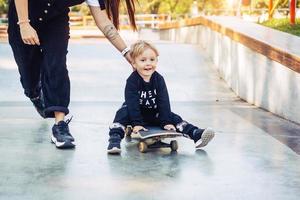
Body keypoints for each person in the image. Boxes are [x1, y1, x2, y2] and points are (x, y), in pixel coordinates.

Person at [7, 0, 137, 149]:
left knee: (57, 64)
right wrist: (23, 24)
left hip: (56, 21)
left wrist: (126, 53)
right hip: (22, 16)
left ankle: (60, 125)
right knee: (28, 71)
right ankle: (35, 94)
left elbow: (104, 23)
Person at [107, 41, 215, 154]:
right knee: (122, 113)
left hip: (154, 113)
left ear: (157, 61)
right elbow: (132, 103)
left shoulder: (159, 80)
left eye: (152, 60)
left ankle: (196, 134)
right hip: (134, 114)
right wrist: (137, 123)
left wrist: (166, 121)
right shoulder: (132, 81)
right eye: (143, 60)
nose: (148, 63)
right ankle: (114, 140)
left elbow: (163, 101)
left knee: (174, 117)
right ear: (134, 64)